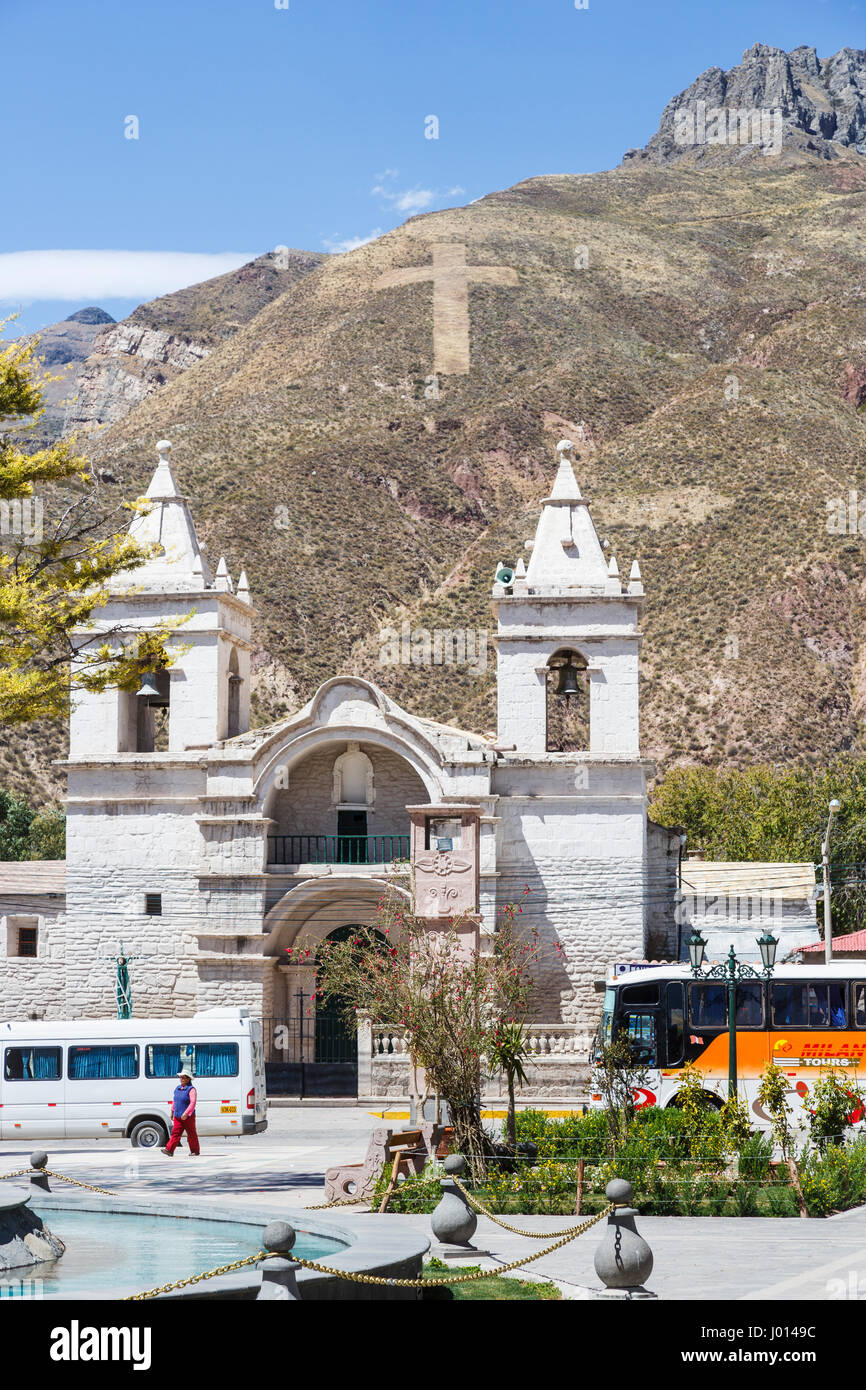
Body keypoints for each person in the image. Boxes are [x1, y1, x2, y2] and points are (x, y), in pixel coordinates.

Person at [161, 1070, 200, 1157]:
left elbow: (192, 1103)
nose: (181, 1079)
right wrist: (172, 1111)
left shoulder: (191, 1089)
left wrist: (186, 1113)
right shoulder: (177, 1088)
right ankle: (169, 1150)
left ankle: (194, 1151)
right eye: (181, 1077)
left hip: (188, 1117)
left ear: (188, 1079)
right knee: (175, 1133)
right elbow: (175, 1101)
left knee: (191, 1134)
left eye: (184, 1077)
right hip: (178, 1116)